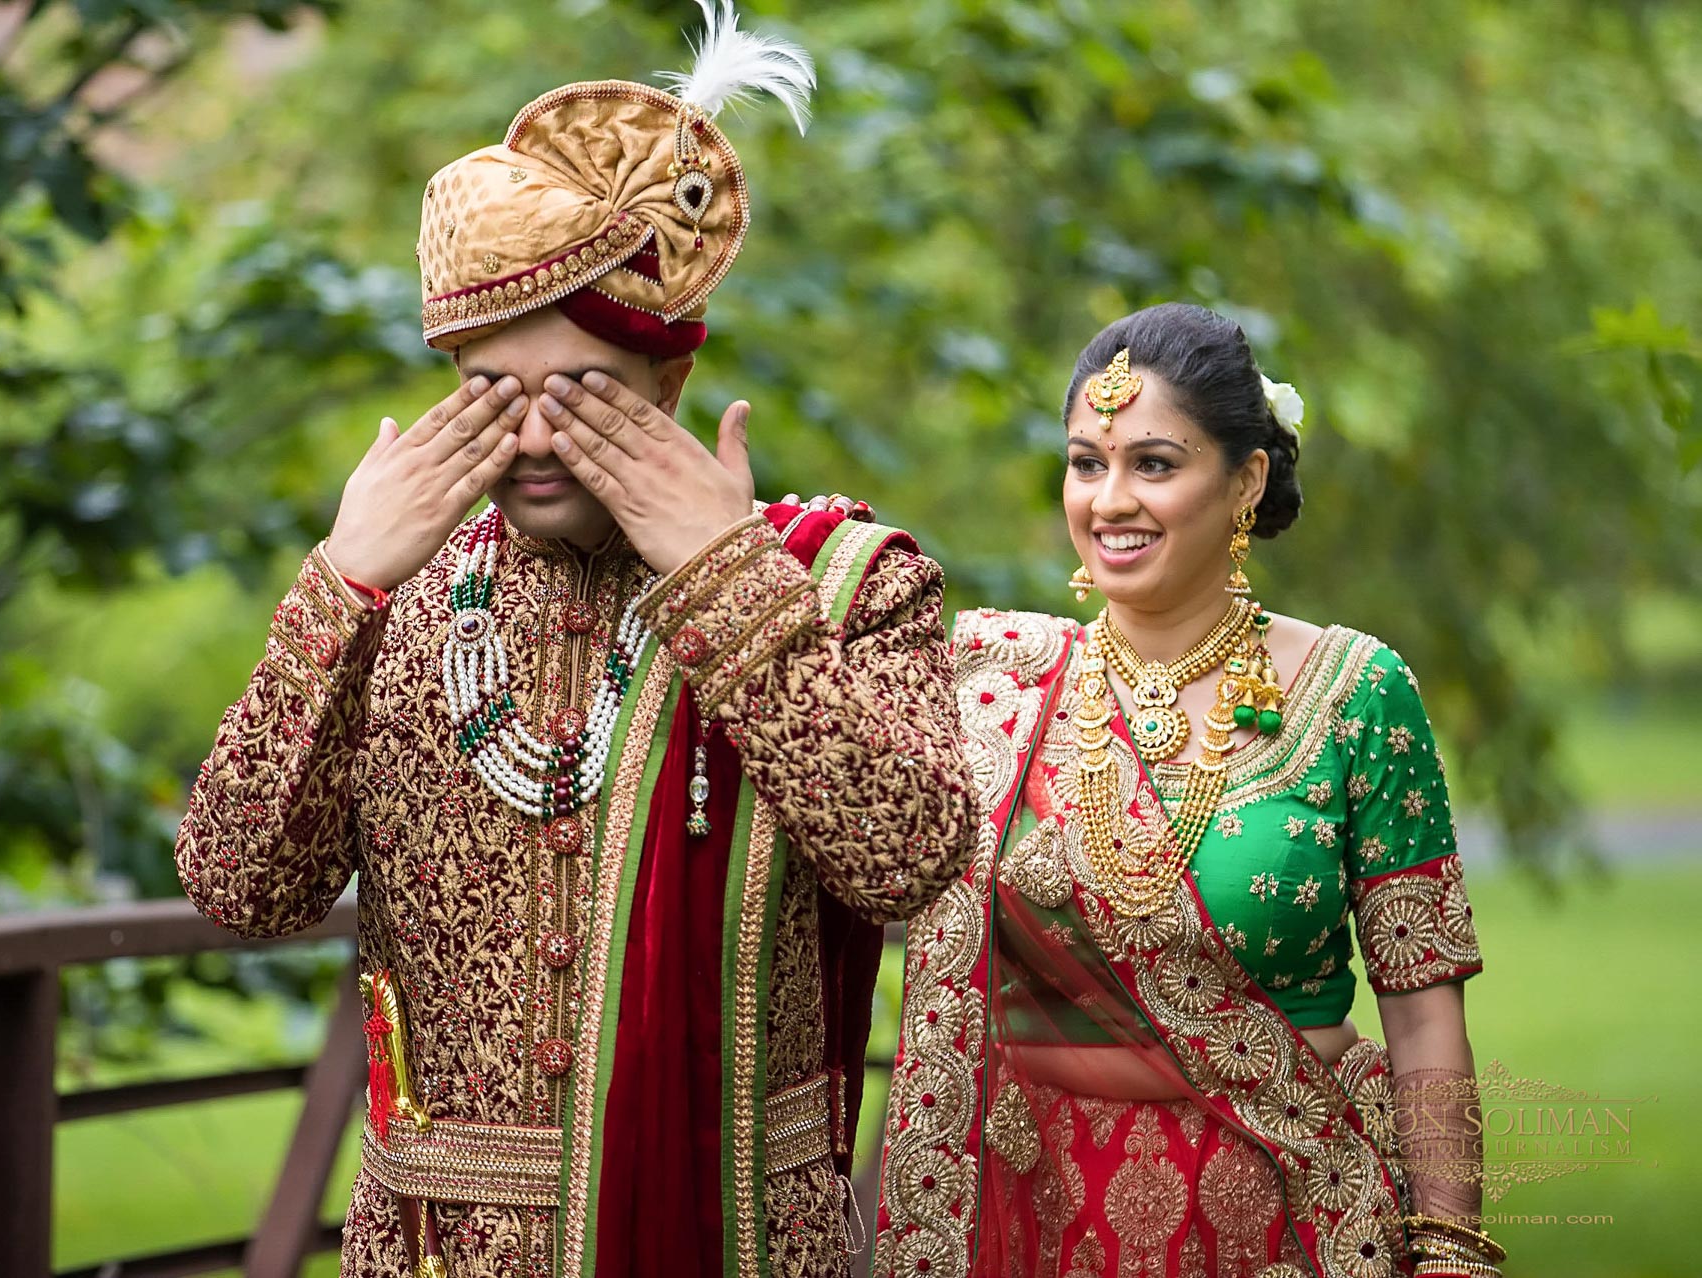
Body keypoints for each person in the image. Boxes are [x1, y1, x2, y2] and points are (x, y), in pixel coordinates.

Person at [173, 6, 977, 1276]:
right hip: (442, 1249)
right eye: (493, 398)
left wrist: (728, 582)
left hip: (741, 1244)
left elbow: (907, 855)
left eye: (580, 398)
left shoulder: (838, 584)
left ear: (668, 384)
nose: (535, 442)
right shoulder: (402, 595)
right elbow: (239, 891)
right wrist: (337, 586)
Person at [871, 303, 1500, 1278]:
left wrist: (1452, 1250)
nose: (1109, 499)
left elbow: (1422, 1014)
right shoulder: (993, 686)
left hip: (1288, 1211)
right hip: (1035, 1216)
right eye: (1087, 463)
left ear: (1245, 479)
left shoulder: (1353, 693)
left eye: (1153, 464)